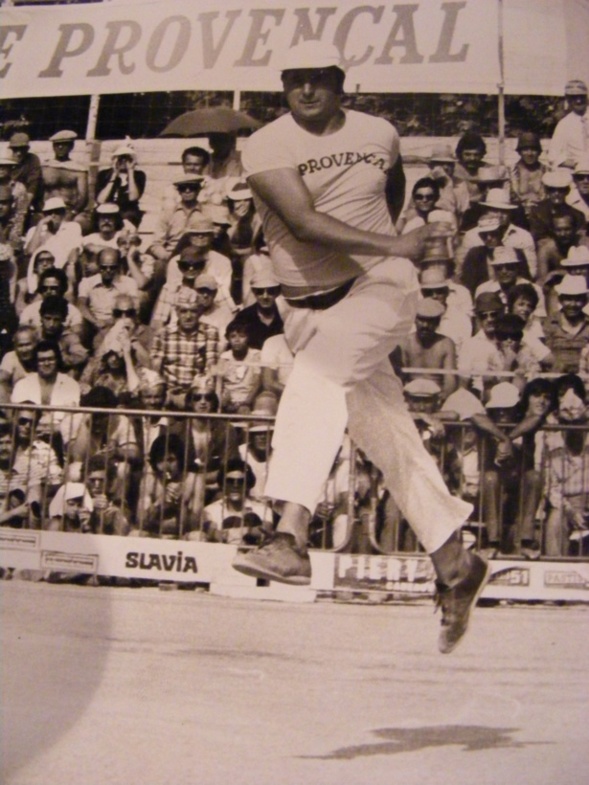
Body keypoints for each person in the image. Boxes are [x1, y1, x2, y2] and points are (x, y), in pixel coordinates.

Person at [231, 41, 488, 654]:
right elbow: (302, 222)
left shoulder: (381, 132)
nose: (307, 90)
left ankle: (290, 535)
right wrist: (394, 243)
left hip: (379, 287)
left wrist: (386, 251)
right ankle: (456, 563)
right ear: (283, 85)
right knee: (385, 433)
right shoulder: (265, 143)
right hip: (308, 307)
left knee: (316, 378)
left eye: (320, 79)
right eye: (295, 79)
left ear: (341, 83)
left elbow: (390, 194)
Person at [392, 298, 457, 401]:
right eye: (421, 320)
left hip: (437, 396)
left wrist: (441, 398)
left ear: (438, 322)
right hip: (410, 396)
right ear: (414, 319)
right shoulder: (405, 342)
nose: (425, 325)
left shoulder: (446, 344)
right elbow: (400, 378)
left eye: (430, 321)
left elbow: (450, 380)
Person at [42, 130, 89, 227]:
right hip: (48, 209)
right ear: (53, 146)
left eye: (64, 144)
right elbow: (38, 193)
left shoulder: (78, 169)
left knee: (81, 222)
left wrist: (73, 212)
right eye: (57, 144)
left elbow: (83, 197)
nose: (60, 147)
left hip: (68, 209)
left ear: (71, 146)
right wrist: (43, 211)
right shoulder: (45, 167)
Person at [95, 143, 146, 228]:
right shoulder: (104, 174)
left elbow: (133, 198)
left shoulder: (139, 175)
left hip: (127, 210)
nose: (123, 161)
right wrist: (114, 174)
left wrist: (130, 171)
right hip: (106, 208)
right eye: (120, 158)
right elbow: (101, 200)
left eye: (127, 158)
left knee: (128, 218)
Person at [528, 170, 586, 245]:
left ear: (567, 191)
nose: (556, 194)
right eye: (552, 190)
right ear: (547, 191)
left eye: (561, 190)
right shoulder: (537, 212)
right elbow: (538, 237)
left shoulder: (577, 215)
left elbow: (579, 237)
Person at [233, 270, 284, 349]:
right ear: (254, 292)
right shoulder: (243, 317)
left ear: (277, 292)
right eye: (260, 292)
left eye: (270, 291)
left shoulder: (284, 315)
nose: (265, 296)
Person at [548, 79, 589, 170]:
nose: (578, 101)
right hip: (578, 172)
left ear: (586, 97)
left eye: (581, 96)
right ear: (568, 99)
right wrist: (576, 164)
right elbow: (553, 156)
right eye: (574, 97)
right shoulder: (564, 125)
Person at [509, 131, 547, 220]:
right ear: (519, 152)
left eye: (533, 149)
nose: (529, 153)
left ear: (539, 152)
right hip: (517, 216)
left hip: (541, 216)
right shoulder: (511, 172)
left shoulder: (547, 172)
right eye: (525, 149)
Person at [8, 131, 43, 217]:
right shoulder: (6, 161)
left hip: (25, 198)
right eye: (15, 149)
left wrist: (23, 209)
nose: (19, 153)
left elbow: (33, 185)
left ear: (27, 149)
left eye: (22, 149)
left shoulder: (33, 160)